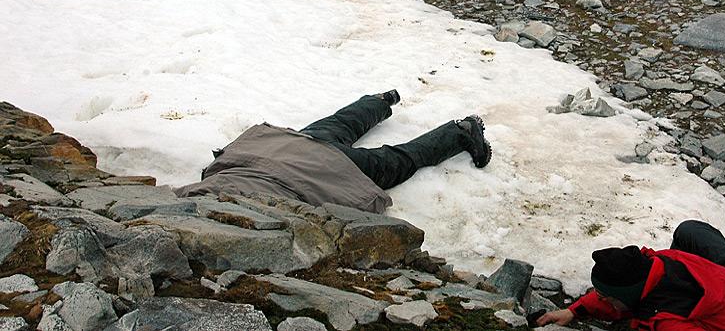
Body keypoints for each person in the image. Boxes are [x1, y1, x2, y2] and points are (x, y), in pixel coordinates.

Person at [176, 90, 492, 214]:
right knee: (333, 128)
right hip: (280, 147)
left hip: (324, 167)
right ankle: (379, 101)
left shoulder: (243, 215)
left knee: (396, 161)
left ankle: (460, 132)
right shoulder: (187, 197)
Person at [537, 220, 725, 331]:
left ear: (629, 297)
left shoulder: (666, 321)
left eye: (605, 297)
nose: (600, 300)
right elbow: (623, 297)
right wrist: (575, 311)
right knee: (689, 231)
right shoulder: (658, 261)